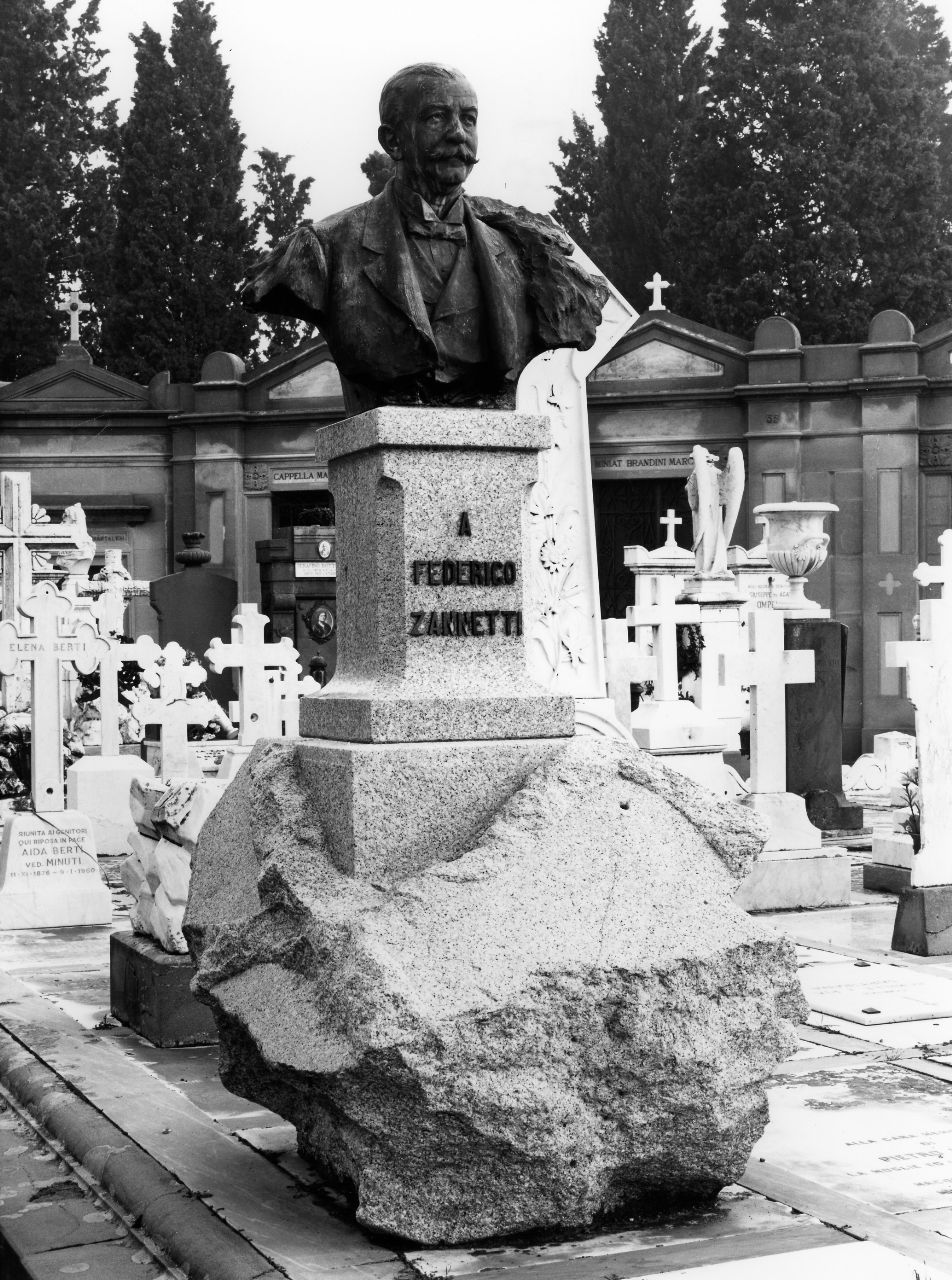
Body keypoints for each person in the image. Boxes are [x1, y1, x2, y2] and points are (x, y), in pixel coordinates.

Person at [241, 63, 608, 414]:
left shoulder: (525, 253)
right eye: (436, 117)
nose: (458, 134)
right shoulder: (322, 252)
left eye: (469, 119)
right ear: (392, 140)